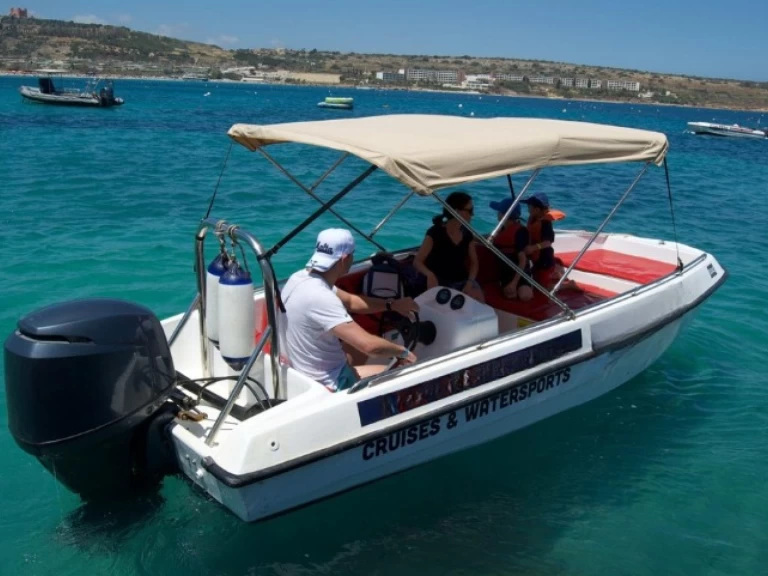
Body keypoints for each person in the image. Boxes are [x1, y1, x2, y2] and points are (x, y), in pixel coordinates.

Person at [281, 228, 419, 392]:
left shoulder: (300, 277)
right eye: (353, 254)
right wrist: (403, 352)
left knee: (355, 345)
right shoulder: (322, 297)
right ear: (344, 259)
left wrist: (393, 305)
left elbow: (351, 301)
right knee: (406, 372)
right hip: (330, 383)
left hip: (300, 372)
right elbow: (369, 346)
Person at [413, 191, 485, 302]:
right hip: (439, 281)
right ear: (456, 211)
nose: (473, 214)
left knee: (480, 304)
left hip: (462, 281)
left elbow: (474, 263)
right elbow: (417, 261)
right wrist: (430, 275)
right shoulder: (435, 232)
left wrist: (470, 282)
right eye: (470, 211)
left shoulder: (467, 234)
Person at [489, 197, 533, 301]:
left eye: (499, 211)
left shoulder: (520, 232)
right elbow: (490, 238)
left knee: (525, 295)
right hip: (505, 273)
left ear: (504, 215)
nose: (497, 213)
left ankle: (529, 283)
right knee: (510, 295)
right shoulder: (501, 229)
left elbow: (522, 260)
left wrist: (514, 283)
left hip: (520, 274)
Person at [520, 192, 559, 289]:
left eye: (529, 207)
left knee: (543, 287)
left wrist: (533, 248)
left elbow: (548, 242)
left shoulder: (546, 223)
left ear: (537, 209)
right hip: (535, 258)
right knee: (535, 279)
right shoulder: (533, 218)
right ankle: (554, 274)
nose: (528, 209)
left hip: (544, 258)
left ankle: (569, 285)